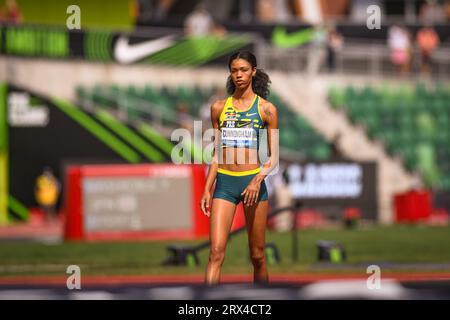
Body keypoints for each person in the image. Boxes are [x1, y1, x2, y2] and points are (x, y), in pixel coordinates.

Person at [200, 51, 279, 285]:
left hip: (253, 185)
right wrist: (207, 188)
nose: (239, 75)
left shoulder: (267, 110)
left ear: (253, 71)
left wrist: (257, 180)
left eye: (244, 70)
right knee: (215, 252)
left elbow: (273, 157)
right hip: (224, 185)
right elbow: (217, 154)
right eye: (234, 71)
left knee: (257, 255)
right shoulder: (218, 108)